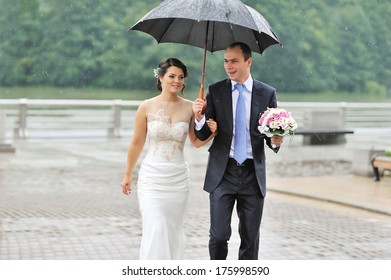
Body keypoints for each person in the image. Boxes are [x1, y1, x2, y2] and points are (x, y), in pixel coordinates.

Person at [192, 42, 283, 260]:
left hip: (253, 174)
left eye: (234, 61)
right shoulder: (216, 90)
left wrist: (276, 140)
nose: (228, 66)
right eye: (226, 61)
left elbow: (270, 136)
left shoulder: (267, 93)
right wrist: (199, 118)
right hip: (222, 174)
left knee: (250, 238)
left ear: (248, 61)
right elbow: (204, 135)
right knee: (218, 236)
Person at [121, 57, 217, 260]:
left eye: (181, 77)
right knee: (157, 227)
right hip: (152, 179)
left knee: (172, 230)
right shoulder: (146, 107)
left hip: (178, 179)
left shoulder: (191, 107)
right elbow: (136, 143)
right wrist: (128, 174)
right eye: (172, 76)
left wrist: (211, 132)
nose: (177, 81)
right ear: (161, 77)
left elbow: (195, 142)